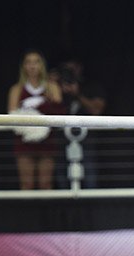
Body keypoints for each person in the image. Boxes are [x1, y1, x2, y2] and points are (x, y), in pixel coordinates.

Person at [7, 49, 65, 190]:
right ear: (23, 66)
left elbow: (60, 113)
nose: (32, 66)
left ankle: (47, 212)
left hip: (47, 143)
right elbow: (12, 117)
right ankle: (27, 213)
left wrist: (43, 104)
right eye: (28, 62)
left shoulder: (52, 87)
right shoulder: (17, 89)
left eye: (36, 62)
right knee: (27, 185)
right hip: (24, 143)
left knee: (46, 184)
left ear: (42, 65)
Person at [52, 59, 107, 188]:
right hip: (60, 140)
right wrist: (52, 86)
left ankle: (91, 207)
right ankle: (63, 207)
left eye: (73, 67)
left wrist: (78, 94)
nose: (70, 72)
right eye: (66, 69)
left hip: (87, 141)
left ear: (80, 68)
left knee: (89, 176)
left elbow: (97, 110)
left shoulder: (91, 85)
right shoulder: (55, 87)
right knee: (61, 177)